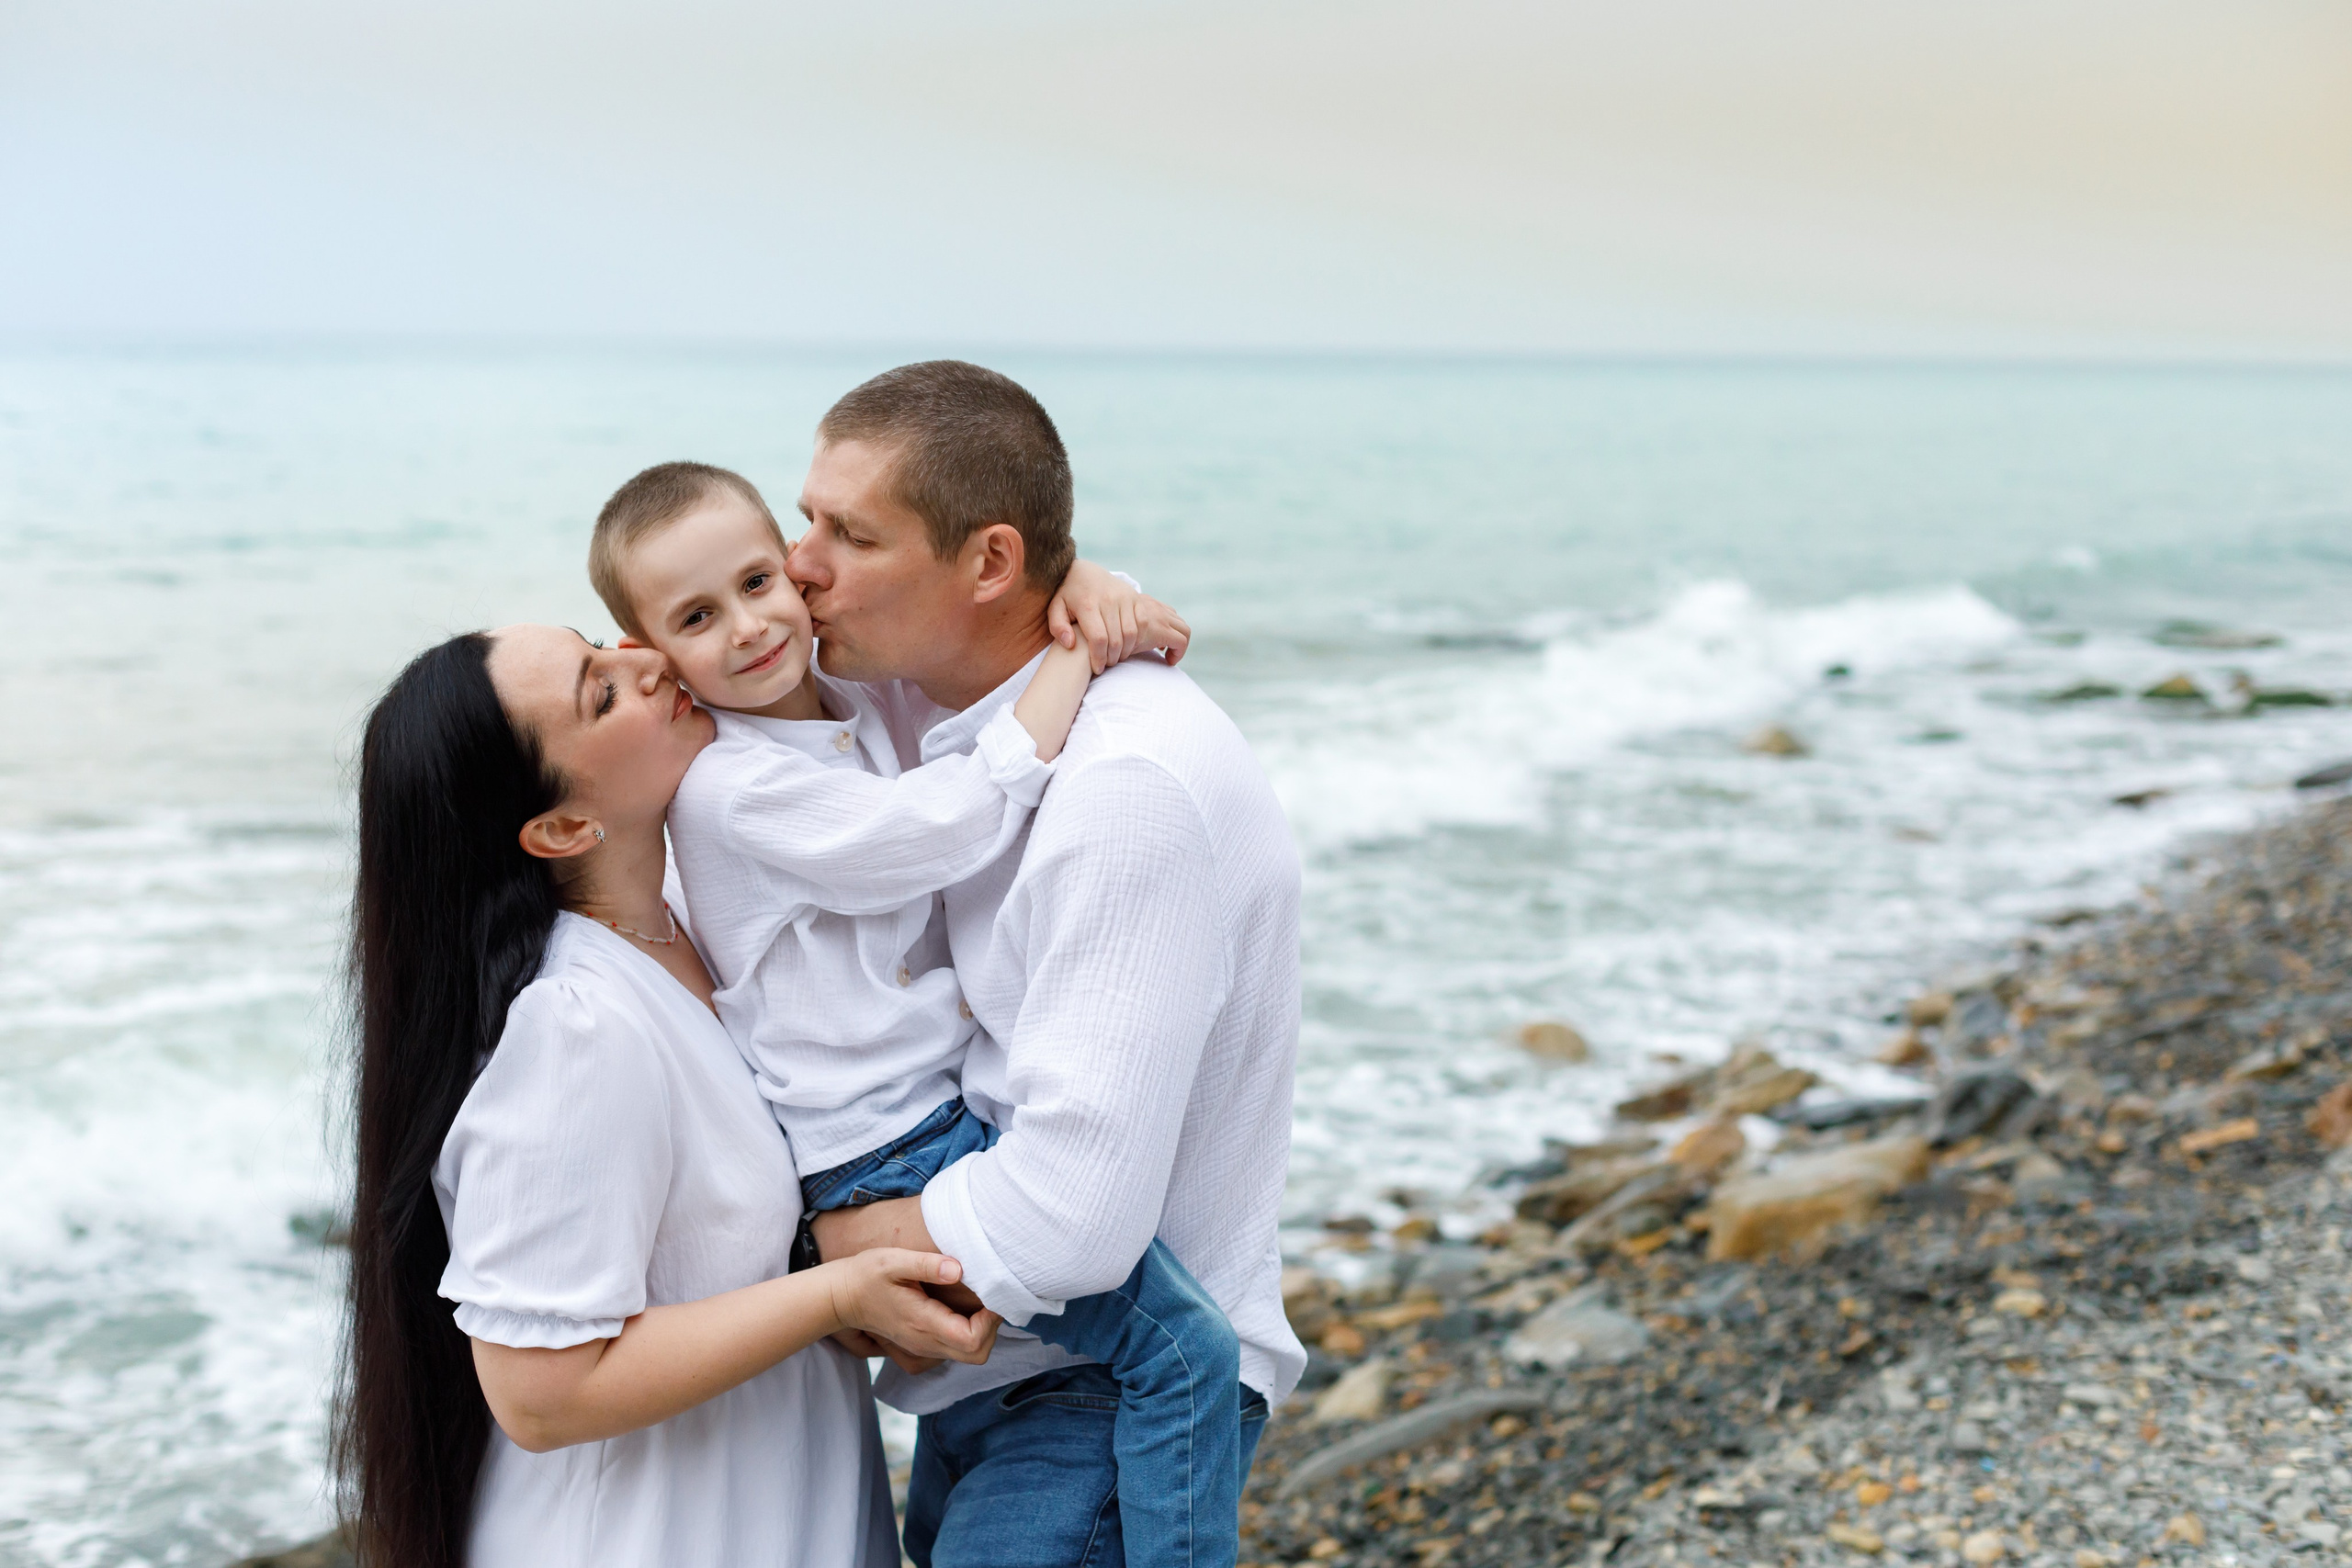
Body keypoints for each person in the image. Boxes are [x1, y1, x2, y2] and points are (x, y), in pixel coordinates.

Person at [582, 459, 1247, 1568]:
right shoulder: (731, 789)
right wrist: (1079, 656)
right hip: (883, 1155)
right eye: (699, 618)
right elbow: (937, 830)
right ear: (655, 657)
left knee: (1036, 1392)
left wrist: (1081, 577)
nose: (750, 627)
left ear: (796, 569)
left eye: (759, 581)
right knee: (1186, 1354)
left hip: (924, 1134)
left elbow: (966, 615)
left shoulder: (842, 703)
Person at [787, 361, 1306, 1568]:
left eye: (849, 533)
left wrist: (821, 1253)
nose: (801, 562)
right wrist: (1079, 578)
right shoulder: (922, 697)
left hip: (1119, 1399)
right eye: (804, 516)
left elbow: (1074, 1220)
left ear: (986, 565)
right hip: (994, 1374)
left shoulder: (1125, 789)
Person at [338, 626, 998, 1568]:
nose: (645, 663)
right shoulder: (575, 1028)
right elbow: (539, 1392)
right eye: (600, 695)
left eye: (601, 646)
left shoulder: (695, 917)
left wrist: (1068, 601)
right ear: (562, 829)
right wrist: (835, 1293)